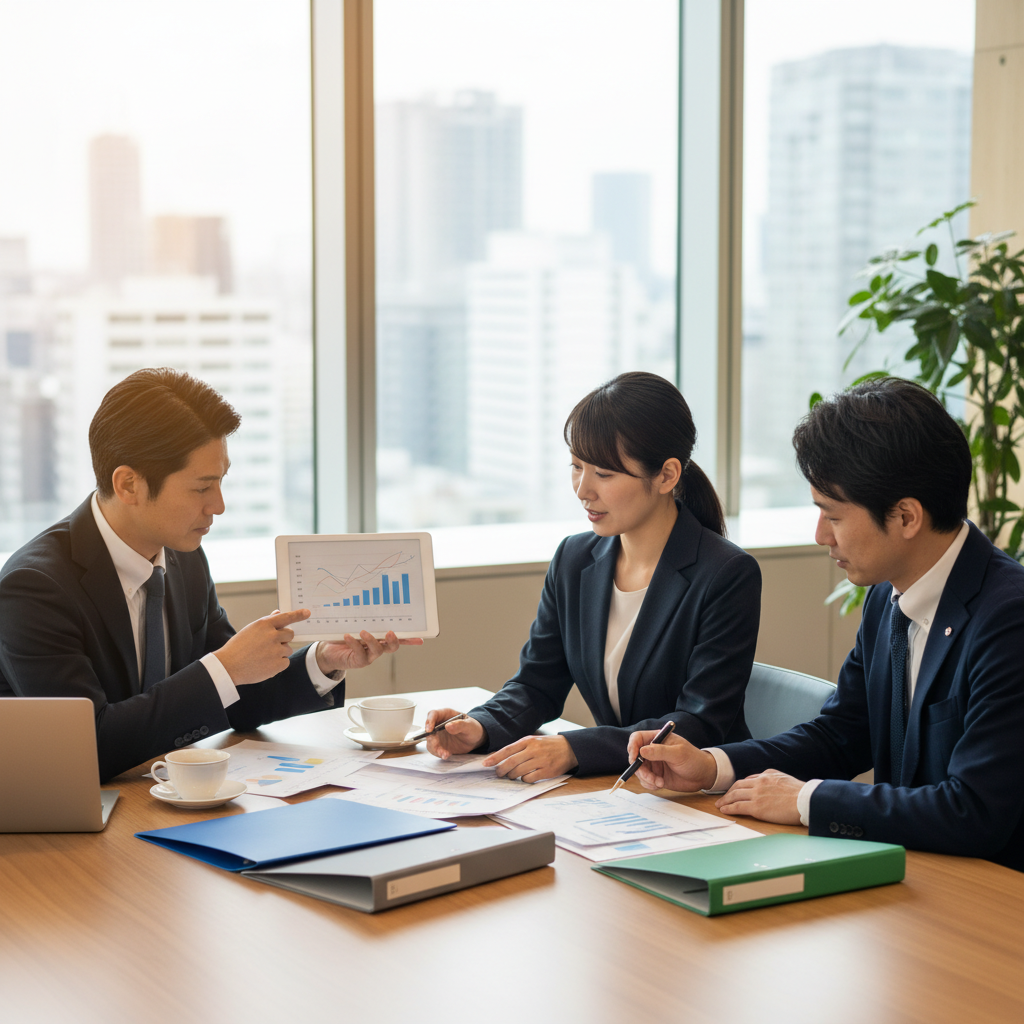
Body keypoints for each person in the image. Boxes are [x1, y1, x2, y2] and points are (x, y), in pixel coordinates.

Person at [628, 377, 1024, 872]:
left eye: (832, 516)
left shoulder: (1008, 619)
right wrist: (711, 767)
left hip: (992, 893)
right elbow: (841, 735)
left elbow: (975, 811)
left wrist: (805, 800)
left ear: (906, 517)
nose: (820, 536)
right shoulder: (888, 595)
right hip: (917, 874)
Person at [0, 368, 419, 781]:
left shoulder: (184, 560)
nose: (218, 505)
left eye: (221, 482)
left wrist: (322, 661)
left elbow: (235, 696)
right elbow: (88, 746)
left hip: (163, 797)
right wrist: (223, 666)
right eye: (202, 488)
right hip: (69, 815)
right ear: (129, 485)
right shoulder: (34, 589)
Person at [423, 371, 761, 781]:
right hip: (620, 788)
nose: (583, 489)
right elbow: (537, 684)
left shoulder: (726, 573)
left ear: (667, 476)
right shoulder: (574, 558)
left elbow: (698, 723)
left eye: (604, 473)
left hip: (697, 792)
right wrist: (480, 726)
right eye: (576, 466)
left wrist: (574, 748)